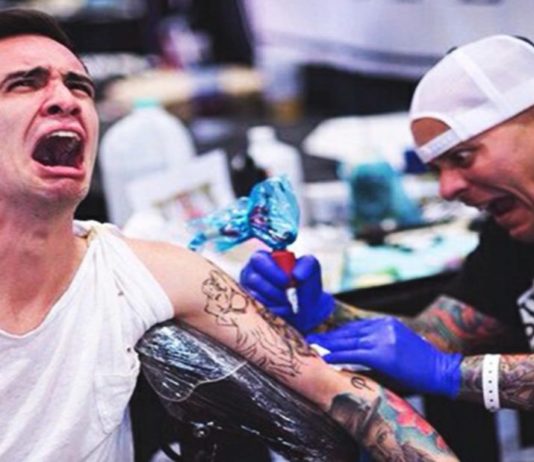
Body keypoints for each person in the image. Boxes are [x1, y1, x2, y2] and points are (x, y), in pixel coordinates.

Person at [0, 8, 457, 462]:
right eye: (23, 83)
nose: (66, 99)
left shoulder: (141, 274)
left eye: (79, 86)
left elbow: (350, 396)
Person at [241, 34, 534, 413]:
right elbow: (433, 337)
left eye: (462, 157)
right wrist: (323, 313)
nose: (447, 189)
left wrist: (449, 373)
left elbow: (437, 363)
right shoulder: (512, 237)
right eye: (437, 170)